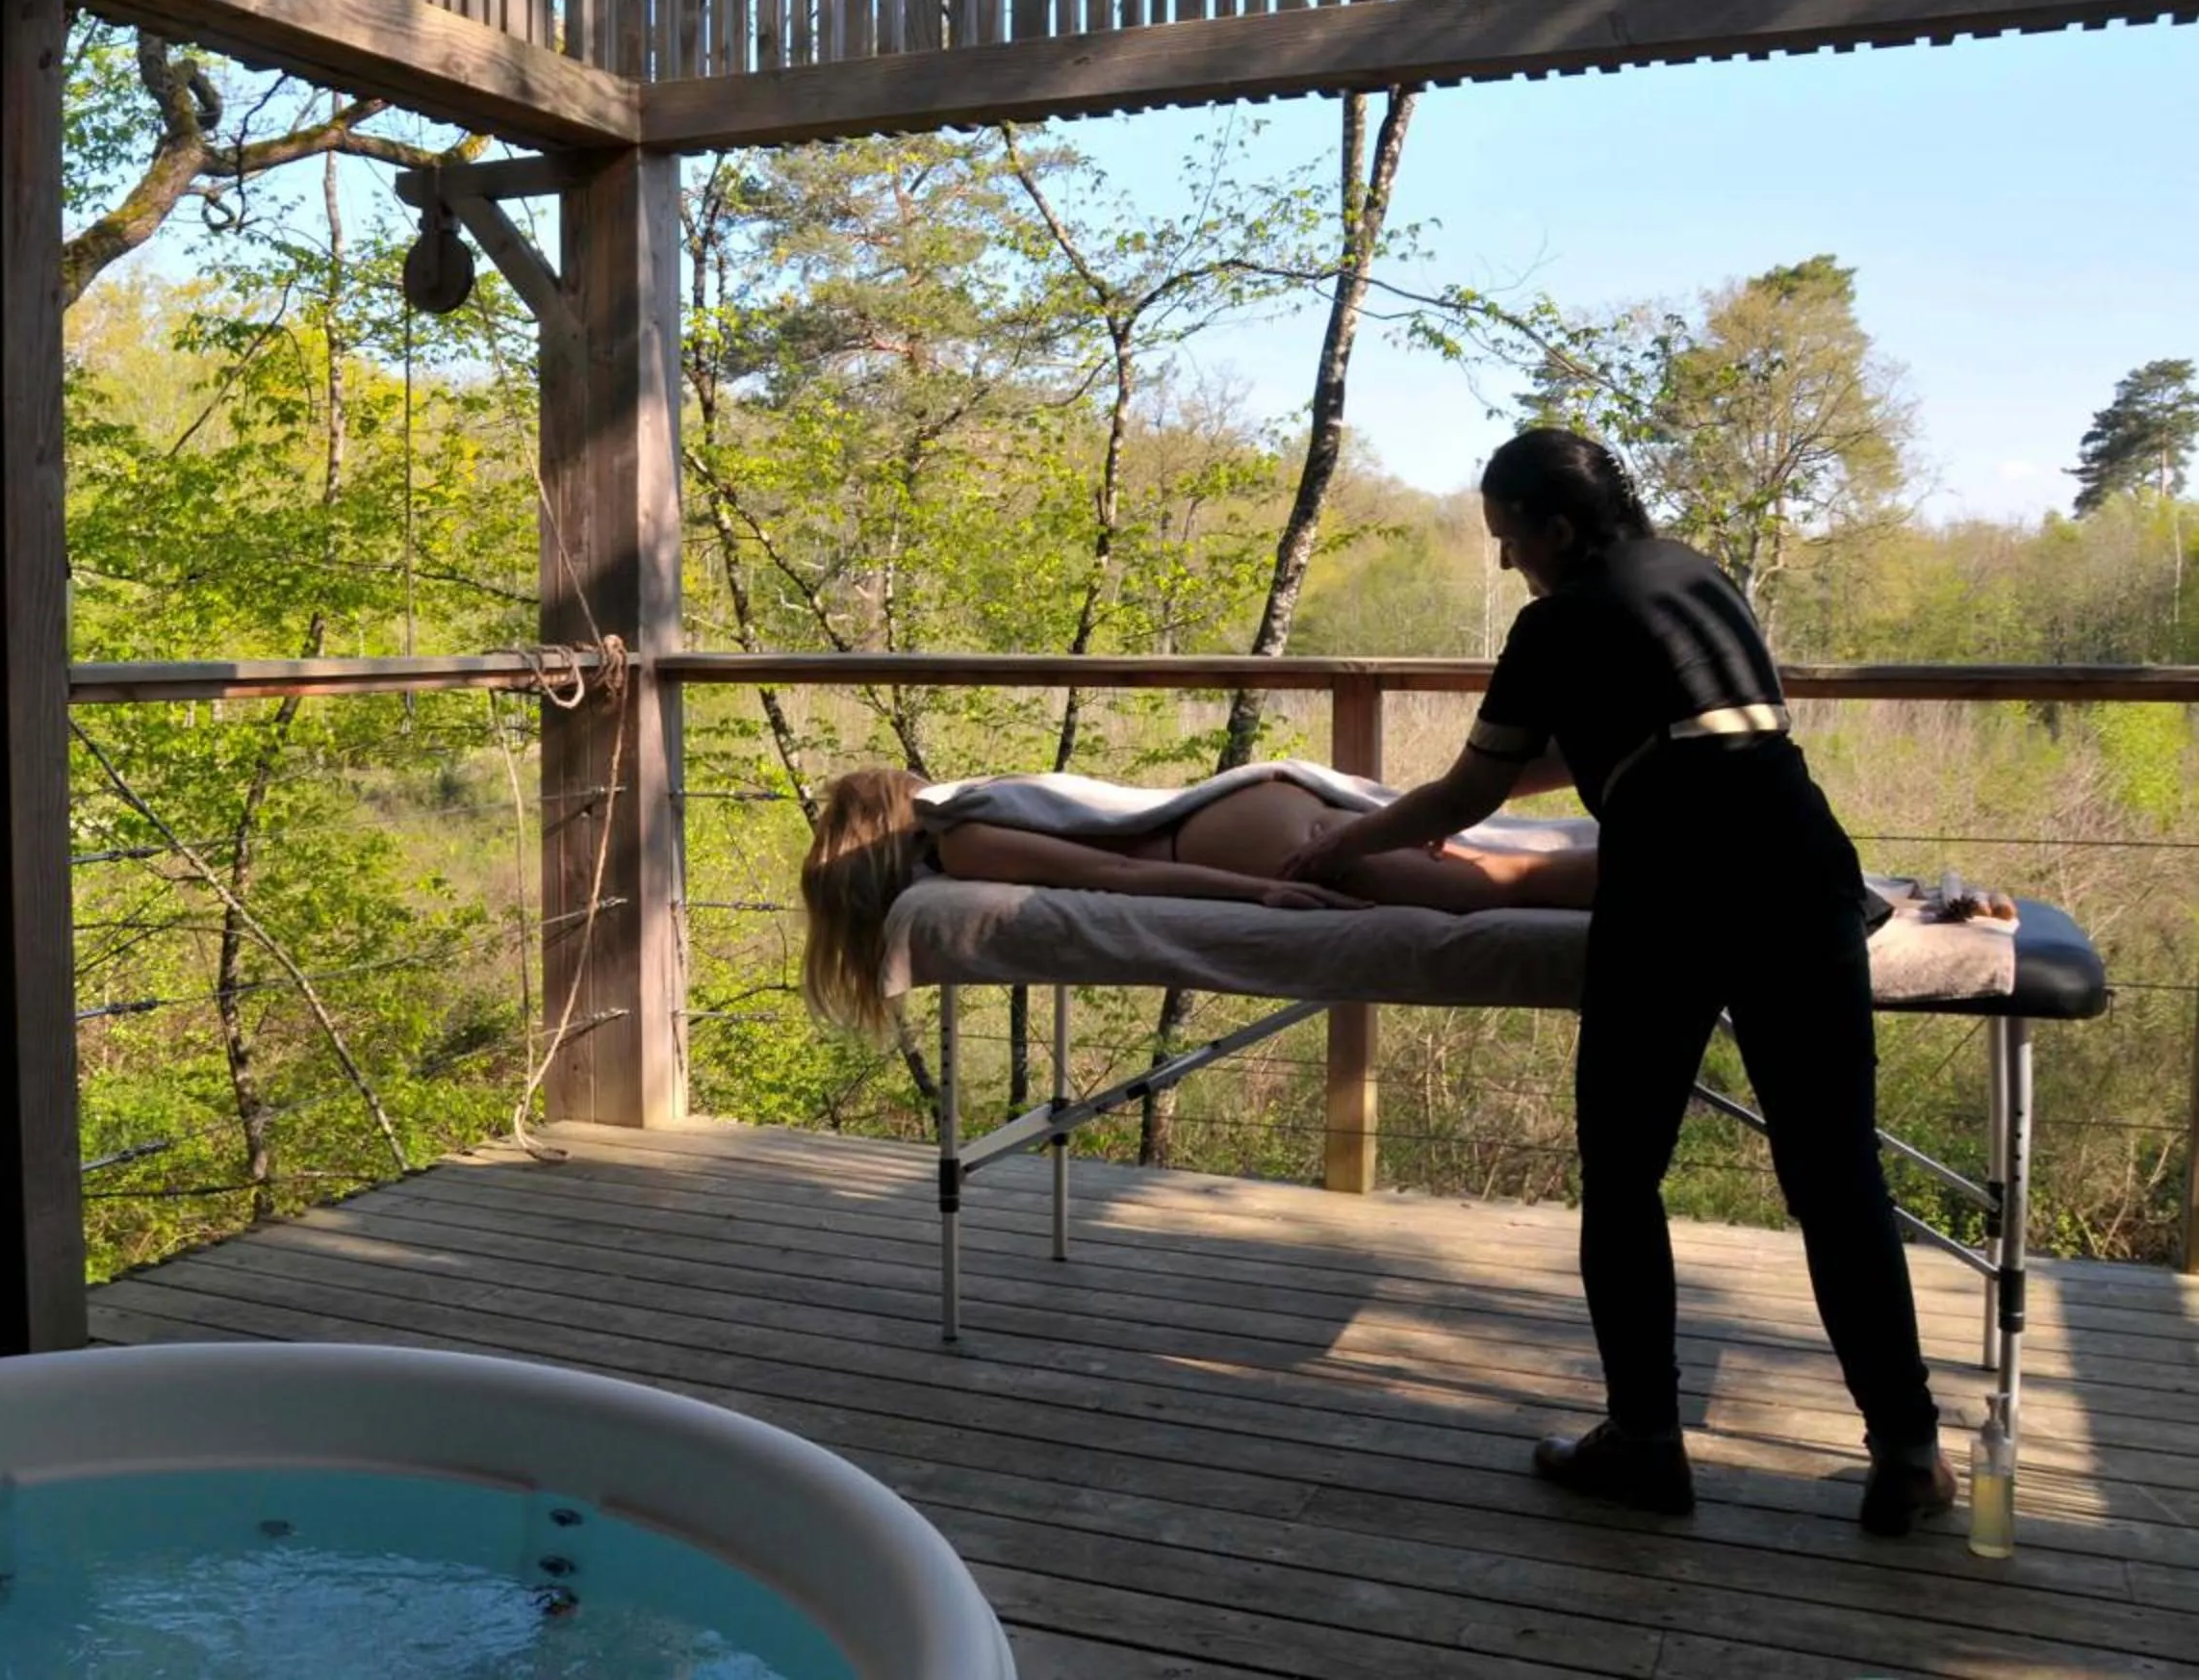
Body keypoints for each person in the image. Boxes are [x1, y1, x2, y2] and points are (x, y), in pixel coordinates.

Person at [1280, 427, 1953, 1535]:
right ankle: (1910, 1455)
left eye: (1509, 538)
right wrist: (1441, 795)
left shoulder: (1555, 621)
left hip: (1676, 890)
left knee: (1625, 1171)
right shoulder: (1699, 574)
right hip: (1801, 865)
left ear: (1557, 525)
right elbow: (1607, 736)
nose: (1505, 563)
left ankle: (1646, 1441)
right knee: (1837, 1179)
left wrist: (1347, 844)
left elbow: (1470, 793)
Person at [798, 762, 1599, 1036]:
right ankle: (1688, 866)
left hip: (1236, 838)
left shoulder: (964, 839)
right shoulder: (979, 812)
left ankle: (1691, 875)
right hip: (1256, 810)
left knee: (1499, 886)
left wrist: (1261, 889)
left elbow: (1123, 878)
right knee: (1485, 863)